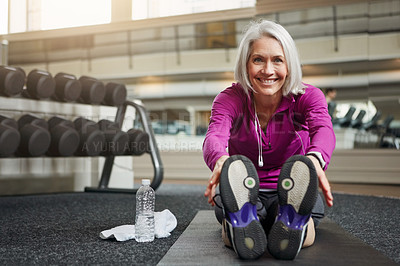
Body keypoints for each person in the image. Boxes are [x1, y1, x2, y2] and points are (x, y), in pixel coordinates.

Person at [203, 19, 335, 261]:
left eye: (277, 60)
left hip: (289, 189)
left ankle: (286, 221)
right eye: (258, 60)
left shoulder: (307, 96)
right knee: (227, 204)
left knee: (307, 207)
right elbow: (215, 134)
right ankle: (244, 221)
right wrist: (220, 159)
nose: (268, 70)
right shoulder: (229, 99)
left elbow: (323, 129)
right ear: (246, 63)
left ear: (290, 64)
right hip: (243, 188)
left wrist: (315, 158)